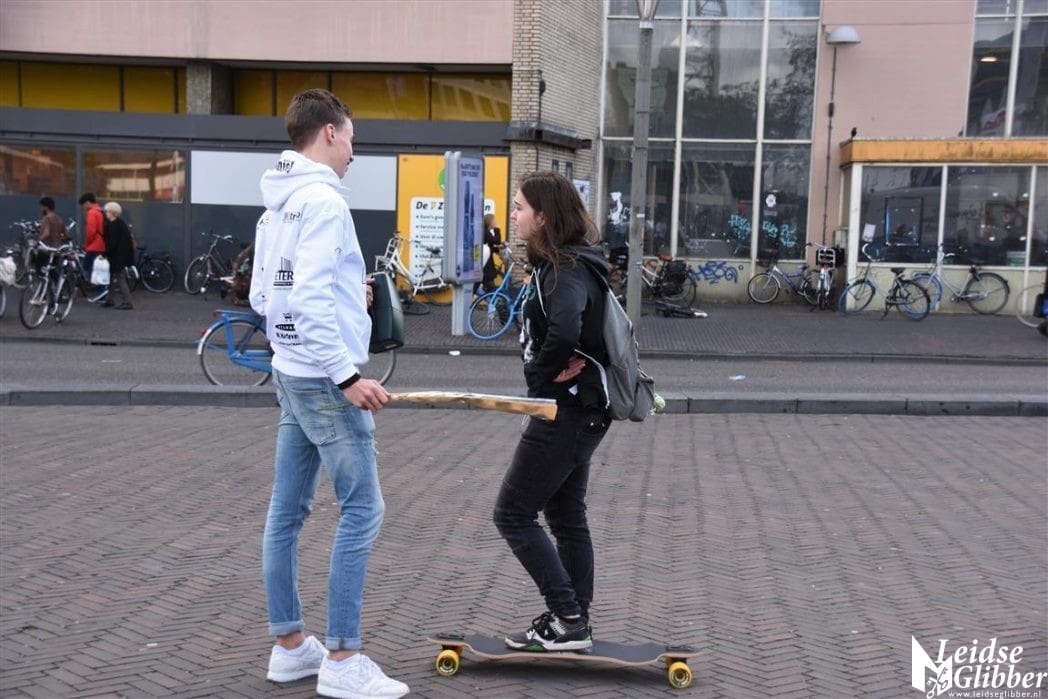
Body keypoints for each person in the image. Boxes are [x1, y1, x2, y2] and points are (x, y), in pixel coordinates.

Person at [249, 88, 408, 699]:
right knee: (363, 508)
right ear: (331, 133)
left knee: (286, 511)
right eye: (352, 139)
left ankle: (291, 647)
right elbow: (309, 300)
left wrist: (348, 296)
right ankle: (343, 657)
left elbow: (266, 297)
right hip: (322, 379)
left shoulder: (277, 205)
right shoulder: (325, 203)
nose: (354, 154)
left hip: (290, 370)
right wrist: (348, 377)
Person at [494, 171, 612, 652]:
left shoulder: (566, 268)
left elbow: (565, 329)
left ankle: (568, 617)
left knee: (512, 513)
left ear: (543, 217)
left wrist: (541, 381)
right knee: (565, 517)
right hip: (581, 410)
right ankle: (574, 623)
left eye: (519, 207)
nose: (513, 215)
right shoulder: (570, 264)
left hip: (564, 412)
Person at [101, 202, 134, 310]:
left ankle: (127, 302)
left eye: (107, 211)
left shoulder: (114, 225)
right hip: (119, 256)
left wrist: (104, 253)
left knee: (120, 278)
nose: (106, 213)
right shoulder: (120, 224)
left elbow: (112, 243)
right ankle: (109, 299)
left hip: (117, 257)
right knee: (112, 277)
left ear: (112, 212)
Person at [78, 193, 106, 284]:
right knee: (99, 269)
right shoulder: (101, 211)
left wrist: (86, 244)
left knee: (87, 267)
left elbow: (91, 232)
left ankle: (93, 286)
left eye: (83, 205)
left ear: (87, 202)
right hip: (102, 244)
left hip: (94, 245)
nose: (84, 208)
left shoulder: (92, 213)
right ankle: (101, 288)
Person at [473, 213, 502, 296]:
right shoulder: (484, 231)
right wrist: (497, 229)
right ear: (490, 222)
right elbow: (497, 240)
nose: (495, 223)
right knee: (488, 284)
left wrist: (497, 249)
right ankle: (493, 301)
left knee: (479, 284)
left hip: (484, 263)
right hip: (485, 263)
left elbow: (489, 245)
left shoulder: (485, 231)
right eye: (494, 221)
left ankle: (491, 300)